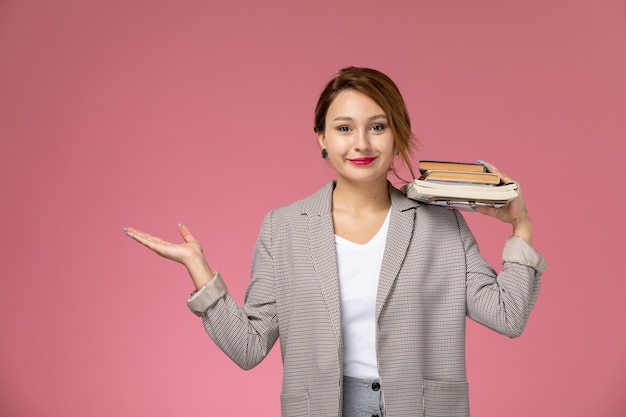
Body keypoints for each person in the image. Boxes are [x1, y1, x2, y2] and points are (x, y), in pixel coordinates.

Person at [124, 67, 547, 417]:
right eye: (344, 128)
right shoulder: (284, 228)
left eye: (377, 127)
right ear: (322, 139)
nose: (361, 143)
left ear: (397, 134)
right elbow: (249, 347)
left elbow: (508, 316)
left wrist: (520, 225)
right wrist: (199, 270)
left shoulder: (442, 226)